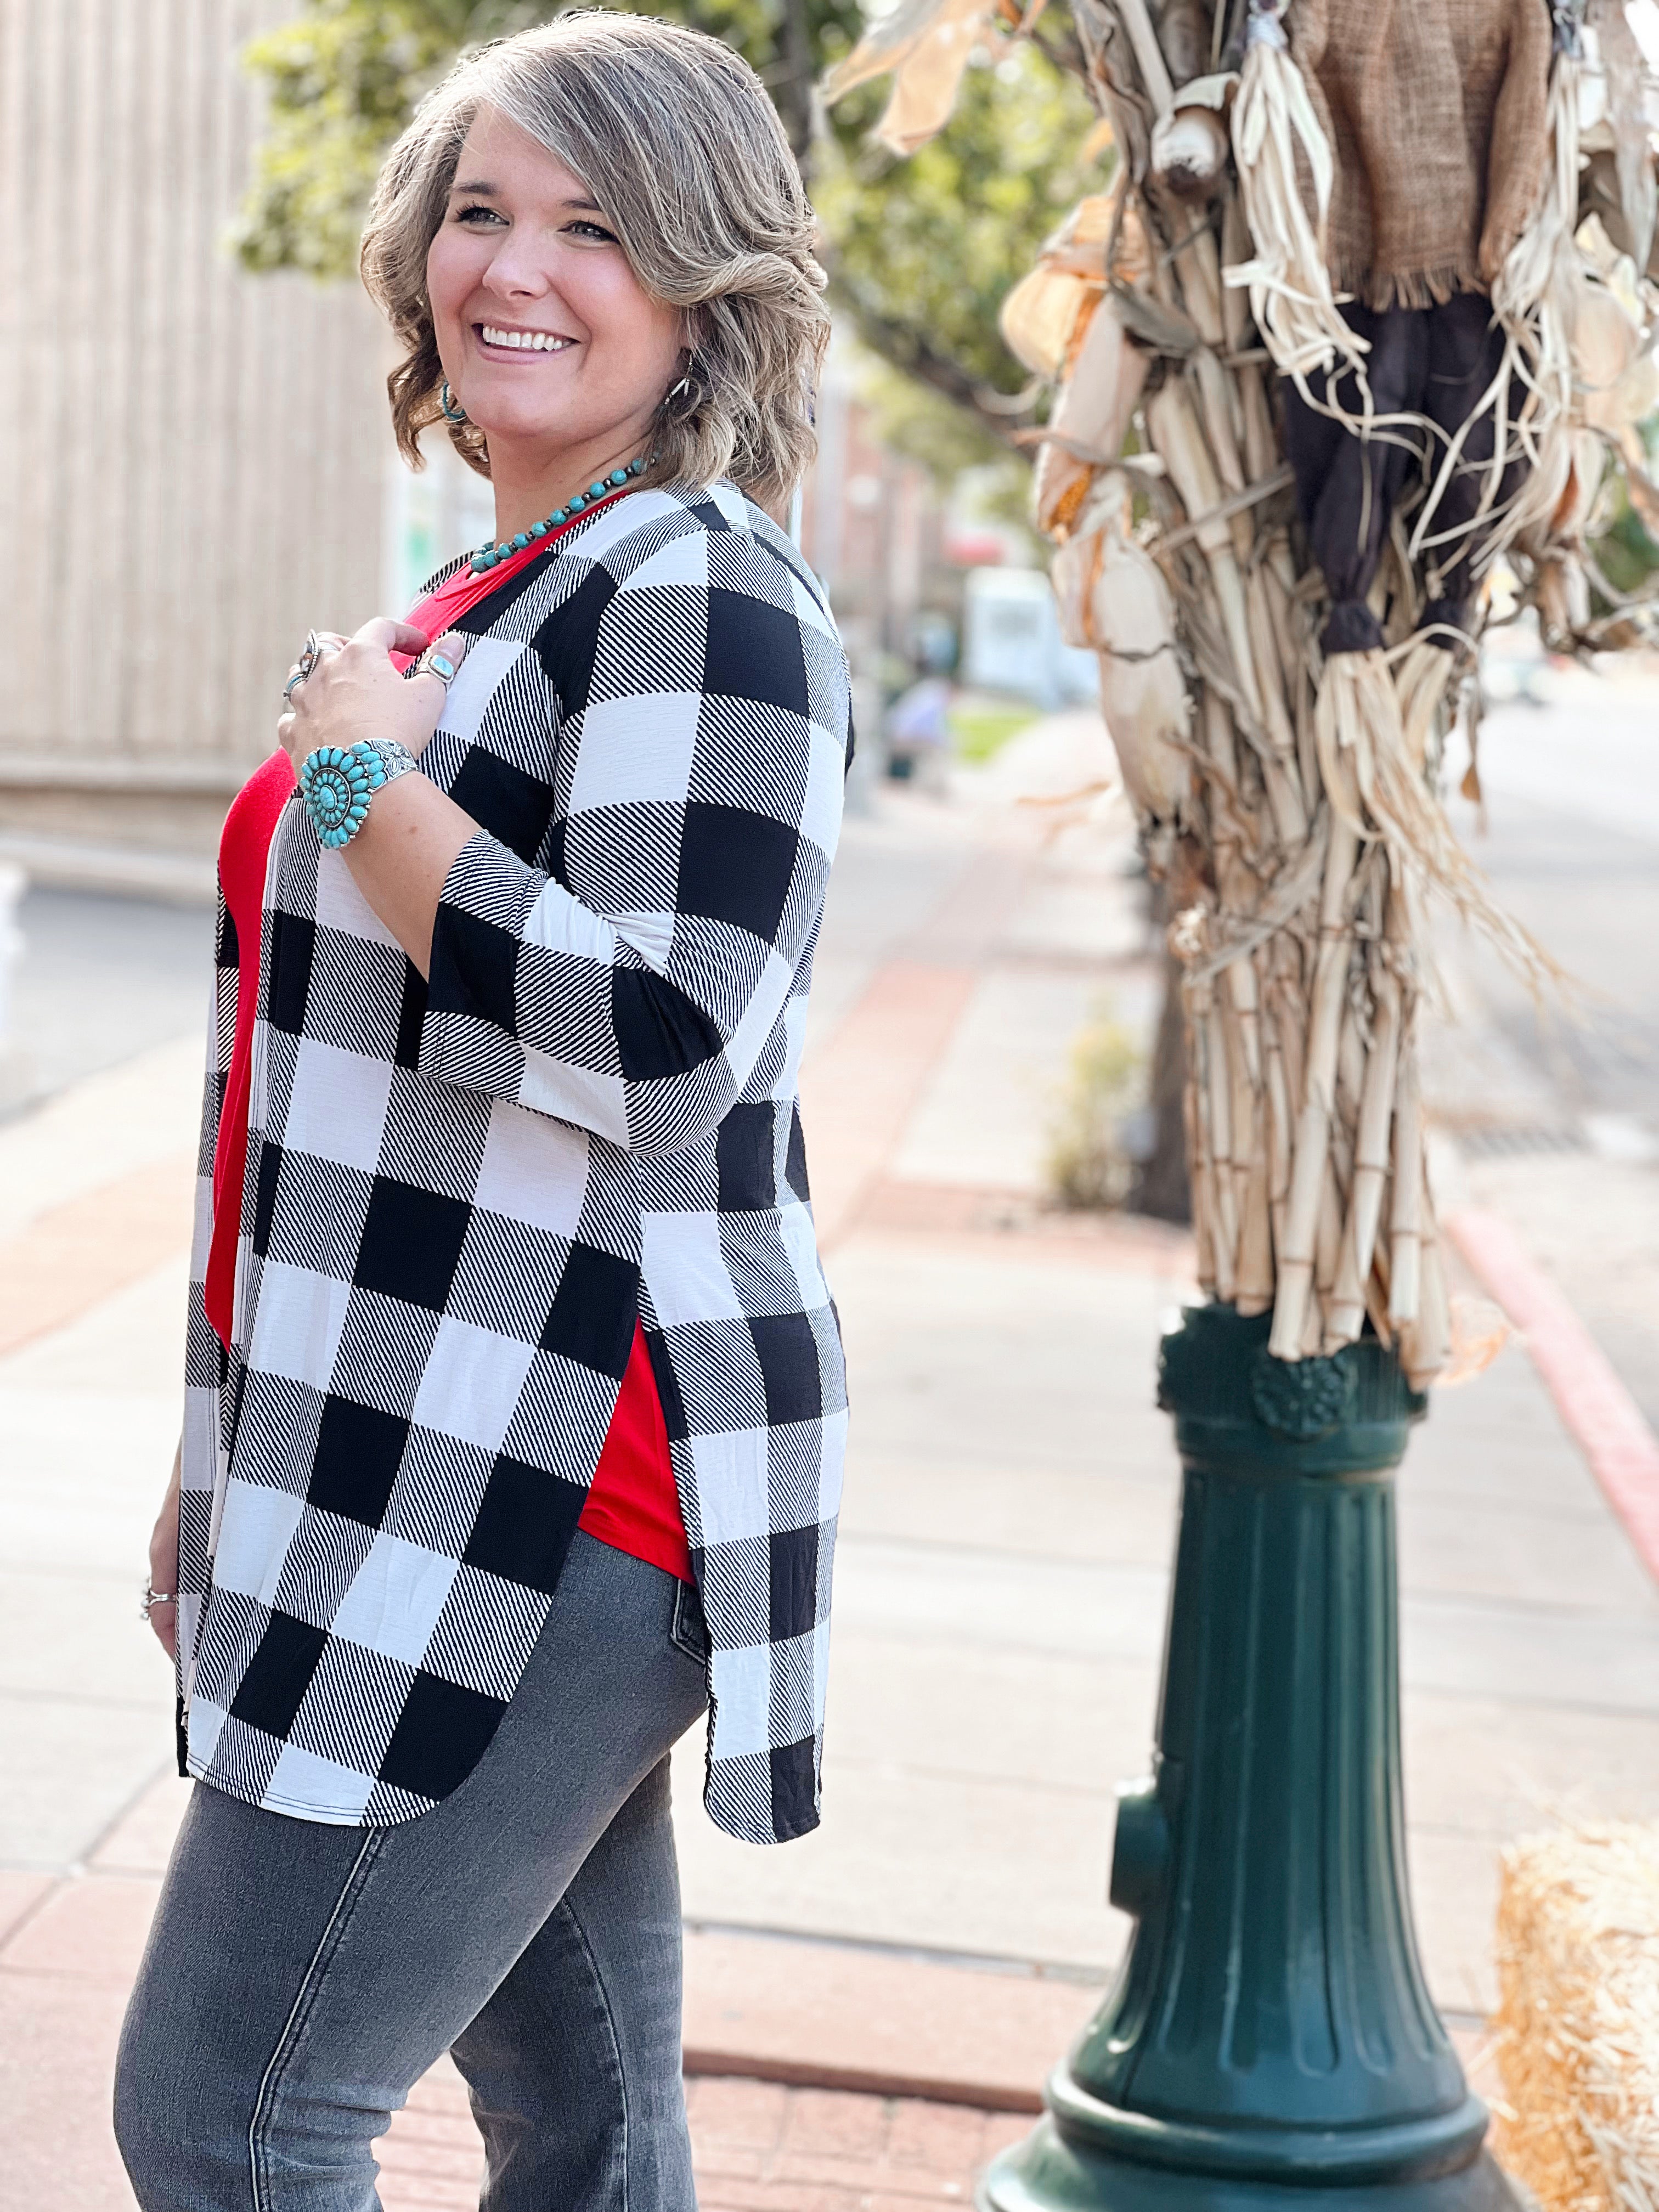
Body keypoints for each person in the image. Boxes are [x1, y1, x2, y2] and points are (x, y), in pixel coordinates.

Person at [114, 17, 850, 2209]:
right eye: (481, 212)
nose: (515, 271)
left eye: (596, 227)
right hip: (403, 1445)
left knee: (233, 2123)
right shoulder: (497, 594)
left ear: (705, 284)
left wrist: (368, 787)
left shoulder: (703, 589)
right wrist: (220, 1455)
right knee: (583, 2123)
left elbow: (664, 1042)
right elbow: (313, 1109)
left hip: (545, 1481)